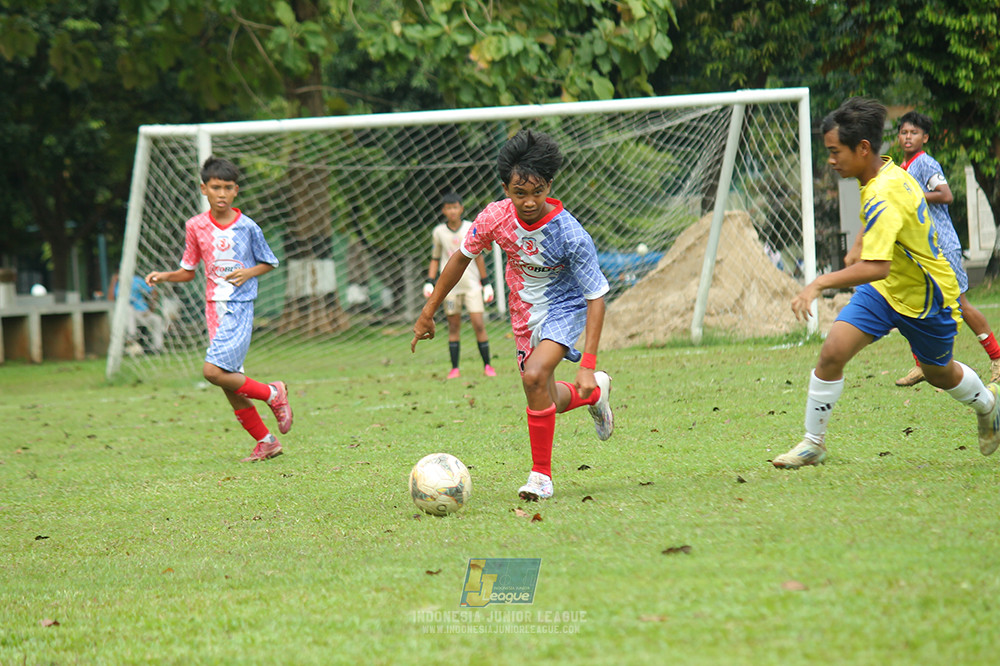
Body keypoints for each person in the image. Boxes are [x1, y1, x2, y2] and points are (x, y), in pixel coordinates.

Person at [773, 97, 1000, 469]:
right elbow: (884, 226)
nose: (831, 160)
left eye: (835, 151)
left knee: (938, 372)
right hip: (884, 291)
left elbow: (876, 266)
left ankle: (989, 404)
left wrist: (818, 284)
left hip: (928, 297)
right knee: (832, 352)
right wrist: (862, 240)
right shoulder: (885, 174)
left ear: (862, 148)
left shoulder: (883, 190)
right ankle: (813, 443)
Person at [411, 129, 614, 500]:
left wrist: (587, 361)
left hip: (563, 309)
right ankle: (596, 393)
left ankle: (541, 477)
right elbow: (460, 258)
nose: (530, 201)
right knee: (545, 392)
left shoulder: (570, 235)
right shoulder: (494, 218)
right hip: (524, 317)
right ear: (506, 188)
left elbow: (596, 297)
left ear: (549, 186)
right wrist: (429, 311)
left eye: (538, 192)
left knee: (534, 377)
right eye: (520, 193)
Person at [145, 157, 292, 463]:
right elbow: (188, 271)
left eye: (227, 187)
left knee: (212, 372)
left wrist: (248, 272)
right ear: (204, 189)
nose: (221, 193)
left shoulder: (248, 227)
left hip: (239, 307)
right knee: (229, 383)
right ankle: (266, 441)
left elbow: (270, 261)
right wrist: (164, 276)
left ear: (236, 190)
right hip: (213, 308)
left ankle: (272, 393)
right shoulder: (195, 226)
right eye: (215, 187)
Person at [890, 111, 1000, 386]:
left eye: (913, 133)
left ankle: (997, 357)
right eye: (903, 132)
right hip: (920, 249)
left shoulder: (925, 163)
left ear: (924, 137)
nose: (907, 137)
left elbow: (946, 194)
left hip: (942, 246)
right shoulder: (902, 169)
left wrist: (914, 195)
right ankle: (921, 365)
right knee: (912, 305)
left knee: (960, 305)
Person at [423, 192, 497, 379]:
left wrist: (485, 283)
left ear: (461, 208)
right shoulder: (438, 232)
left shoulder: (469, 227)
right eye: (448, 208)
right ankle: (454, 368)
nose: (452, 211)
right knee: (453, 326)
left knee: (478, 324)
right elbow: (435, 258)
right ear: (443, 211)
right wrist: (430, 281)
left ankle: (488, 366)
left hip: (471, 285)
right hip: (451, 288)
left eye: (455, 207)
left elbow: (478, 256)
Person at [109, 271, 166, 354]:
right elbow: (110, 299)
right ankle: (132, 337)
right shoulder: (119, 284)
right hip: (127, 316)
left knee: (157, 320)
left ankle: (157, 348)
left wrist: (152, 306)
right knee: (128, 308)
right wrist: (113, 281)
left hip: (143, 313)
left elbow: (153, 292)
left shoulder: (137, 280)